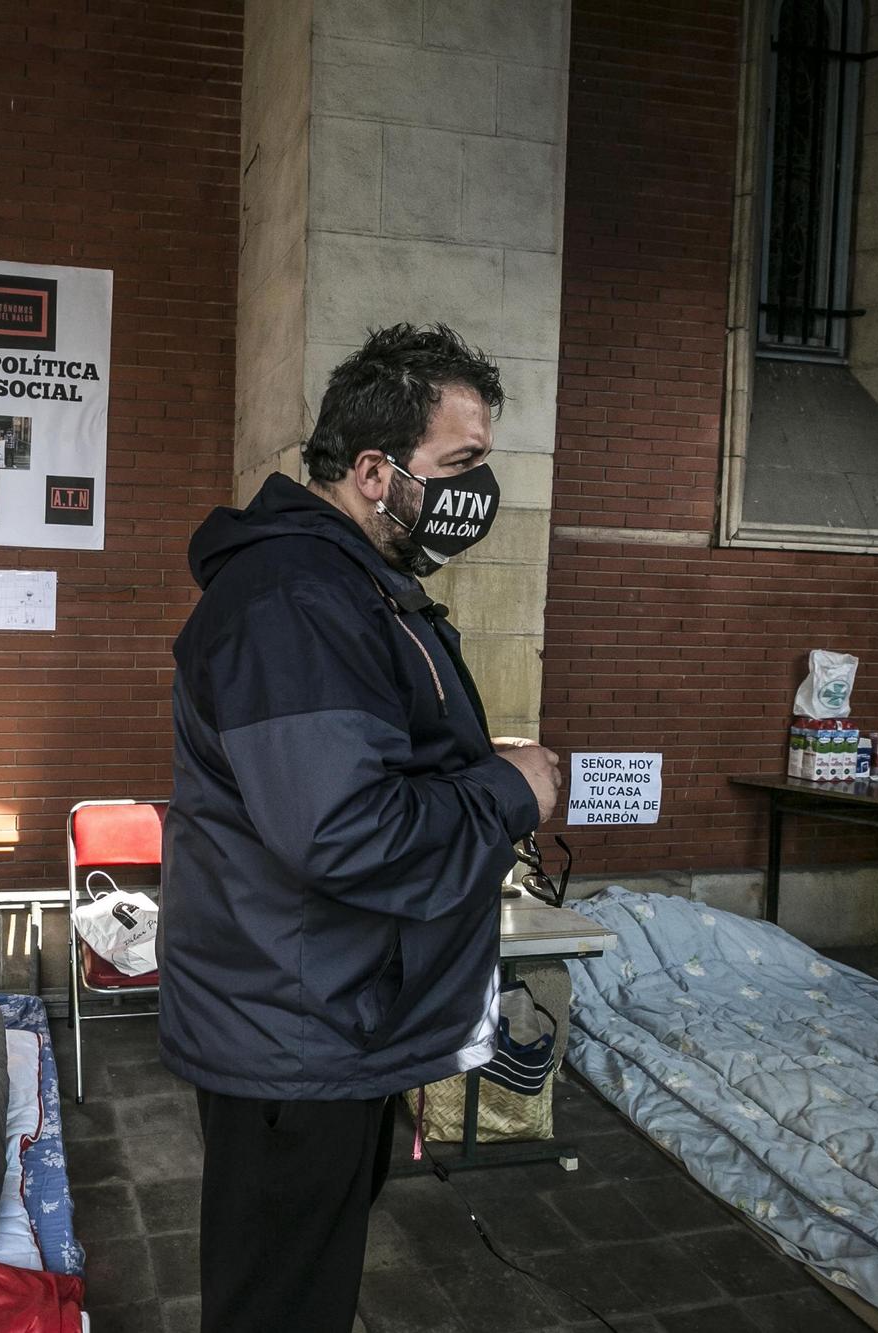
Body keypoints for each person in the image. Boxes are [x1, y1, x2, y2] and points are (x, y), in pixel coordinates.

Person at [158, 322, 565, 1333]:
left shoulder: (345, 585)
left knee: (305, 1287)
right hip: (293, 1031)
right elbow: (341, 828)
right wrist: (509, 793)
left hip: (329, 1016)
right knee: (280, 1306)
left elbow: (358, 772)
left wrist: (479, 767)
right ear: (374, 469)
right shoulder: (294, 598)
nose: (476, 490)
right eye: (459, 464)